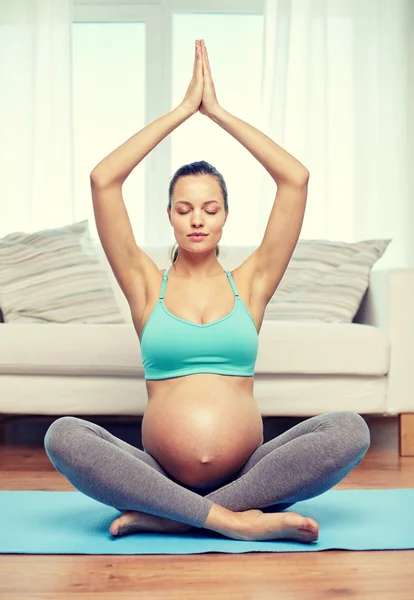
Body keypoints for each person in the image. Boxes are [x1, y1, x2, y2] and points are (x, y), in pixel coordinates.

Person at [44, 40, 370, 543]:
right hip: (156, 472)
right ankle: (230, 520)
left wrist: (216, 112)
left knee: (351, 428)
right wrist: (181, 112)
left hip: (251, 473)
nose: (197, 219)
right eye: (183, 208)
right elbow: (103, 179)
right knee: (63, 435)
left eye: (210, 208)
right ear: (170, 215)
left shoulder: (252, 282)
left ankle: (176, 515)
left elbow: (295, 180)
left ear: (224, 215)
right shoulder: (145, 283)